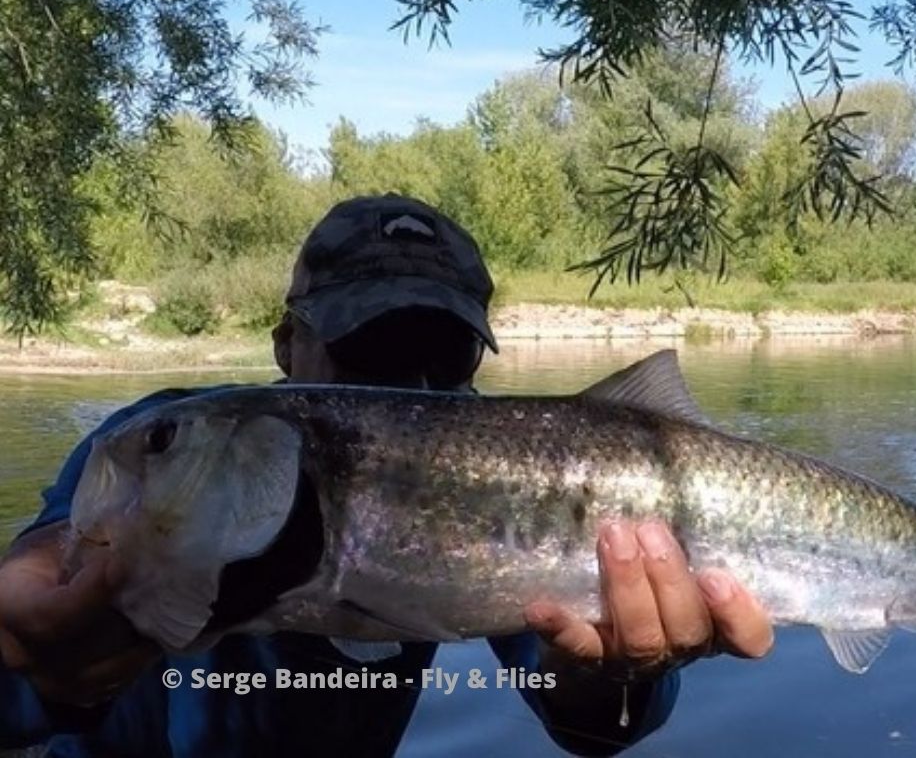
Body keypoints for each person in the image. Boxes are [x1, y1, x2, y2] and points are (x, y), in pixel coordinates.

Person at [0, 194, 773, 756]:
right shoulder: (166, 442)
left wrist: (610, 679)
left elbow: (589, 716)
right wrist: (37, 661)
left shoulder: (512, 472)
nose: (409, 388)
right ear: (285, 346)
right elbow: (30, 631)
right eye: (370, 350)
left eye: (444, 357)